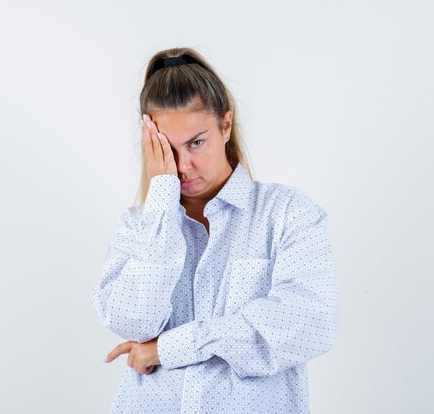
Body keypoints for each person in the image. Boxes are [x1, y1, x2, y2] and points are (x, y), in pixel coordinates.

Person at [90, 47, 339, 414]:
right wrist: (161, 201)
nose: (183, 165)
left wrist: (170, 347)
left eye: (196, 142)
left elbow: (310, 322)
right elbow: (133, 321)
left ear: (226, 125)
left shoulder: (286, 213)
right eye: (166, 148)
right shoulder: (139, 226)